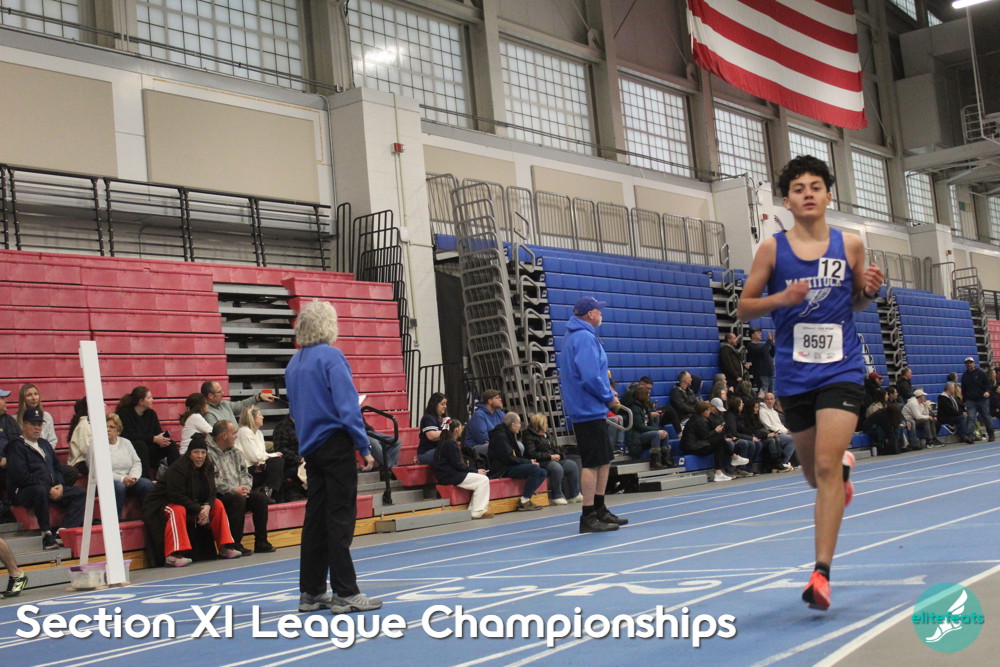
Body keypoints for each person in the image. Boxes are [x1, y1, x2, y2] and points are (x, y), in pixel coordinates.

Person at [737, 154, 885, 611]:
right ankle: (841, 471)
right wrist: (782, 297)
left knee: (823, 467)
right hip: (794, 372)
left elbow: (856, 303)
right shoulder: (772, 249)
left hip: (841, 368)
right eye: (798, 188)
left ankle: (821, 573)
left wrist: (868, 291)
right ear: (786, 200)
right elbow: (743, 308)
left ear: (828, 195)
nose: (807, 194)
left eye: (815, 187)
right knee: (812, 475)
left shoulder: (851, 245)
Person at [285, 300, 382, 614]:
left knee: (315, 520)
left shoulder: (293, 364)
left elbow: (295, 411)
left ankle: (311, 591)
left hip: (311, 448)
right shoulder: (331, 357)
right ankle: (345, 591)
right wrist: (363, 446)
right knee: (340, 518)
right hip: (336, 445)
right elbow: (347, 406)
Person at [556, 296, 627, 533]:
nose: (601, 314)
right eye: (599, 310)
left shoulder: (579, 336)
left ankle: (599, 508)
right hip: (587, 408)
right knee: (593, 463)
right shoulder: (583, 337)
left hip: (591, 407)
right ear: (590, 314)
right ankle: (588, 514)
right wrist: (608, 397)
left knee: (604, 460)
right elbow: (590, 376)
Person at [141, 433, 242, 567]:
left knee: (217, 504)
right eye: (196, 452)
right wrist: (199, 509)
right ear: (189, 453)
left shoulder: (208, 466)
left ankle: (225, 547)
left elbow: (212, 491)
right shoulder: (178, 468)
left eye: (203, 452)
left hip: (191, 502)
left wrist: (207, 506)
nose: (200, 456)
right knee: (177, 510)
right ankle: (174, 555)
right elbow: (176, 495)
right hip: (161, 503)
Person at [7, 407, 87, 549]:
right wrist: (48, 489)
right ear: (24, 425)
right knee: (40, 490)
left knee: (80, 493)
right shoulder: (16, 446)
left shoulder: (44, 444)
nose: (37, 428)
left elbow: (57, 467)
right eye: (33, 424)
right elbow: (22, 476)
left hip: (49, 488)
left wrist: (60, 485)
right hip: (24, 492)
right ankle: (46, 534)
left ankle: (63, 531)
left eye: (39, 424)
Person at [207, 420, 275, 556]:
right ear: (224, 436)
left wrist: (245, 487)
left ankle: (261, 542)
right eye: (233, 433)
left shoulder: (236, 452)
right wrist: (234, 490)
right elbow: (211, 481)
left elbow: (245, 474)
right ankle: (234, 543)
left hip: (239, 492)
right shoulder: (208, 454)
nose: (236, 436)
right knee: (238, 499)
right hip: (219, 496)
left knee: (260, 499)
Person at [432, 421, 494, 519]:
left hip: (445, 475)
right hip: (450, 476)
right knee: (484, 480)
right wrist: (476, 471)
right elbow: (458, 465)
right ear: (457, 430)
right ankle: (477, 512)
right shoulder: (451, 443)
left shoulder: (444, 442)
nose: (462, 429)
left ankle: (473, 510)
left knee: (480, 480)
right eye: (461, 427)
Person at [116, 386, 177, 479]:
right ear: (141, 401)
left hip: (149, 450)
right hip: (132, 451)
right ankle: (147, 480)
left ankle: (177, 477)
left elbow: (157, 432)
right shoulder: (124, 413)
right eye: (149, 397)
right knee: (140, 444)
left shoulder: (151, 414)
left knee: (171, 444)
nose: (152, 400)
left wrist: (162, 439)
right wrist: (153, 439)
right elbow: (128, 435)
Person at [522, 412, 583, 504]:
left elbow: (554, 448)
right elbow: (531, 453)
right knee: (556, 468)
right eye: (545, 423)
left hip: (551, 459)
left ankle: (575, 494)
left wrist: (559, 455)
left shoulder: (547, 434)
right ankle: (556, 496)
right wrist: (550, 456)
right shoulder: (528, 436)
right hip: (540, 462)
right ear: (539, 424)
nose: (547, 425)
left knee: (571, 465)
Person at [105, 413, 153, 516]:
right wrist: (122, 479)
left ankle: (149, 517)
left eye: (112, 427)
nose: (108, 429)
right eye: (106, 427)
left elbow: (136, 462)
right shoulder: (96, 445)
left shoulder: (126, 442)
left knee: (146, 484)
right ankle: (115, 520)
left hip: (129, 480)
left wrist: (133, 477)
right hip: (109, 482)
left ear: (118, 430)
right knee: (119, 487)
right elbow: (99, 471)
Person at [235, 405, 283, 501]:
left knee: (279, 462)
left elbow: (261, 455)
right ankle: (267, 493)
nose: (263, 417)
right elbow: (255, 457)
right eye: (260, 415)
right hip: (246, 469)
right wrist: (272, 455)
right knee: (277, 461)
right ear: (252, 418)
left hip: (257, 466)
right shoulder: (244, 431)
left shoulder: (258, 433)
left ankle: (271, 494)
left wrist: (262, 459)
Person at [680, 401, 735, 482]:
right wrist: (715, 431)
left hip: (698, 444)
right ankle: (733, 457)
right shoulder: (698, 421)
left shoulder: (701, 419)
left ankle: (719, 472)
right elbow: (704, 436)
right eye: (708, 410)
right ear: (703, 412)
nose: (710, 412)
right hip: (693, 447)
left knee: (719, 443)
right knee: (719, 440)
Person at [622, 385, 670, 469]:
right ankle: (655, 461)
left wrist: (659, 429)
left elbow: (651, 423)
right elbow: (639, 426)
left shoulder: (645, 408)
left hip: (646, 432)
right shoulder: (635, 408)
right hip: (637, 435)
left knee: (664, 434)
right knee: (656, 434)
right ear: (643, 396)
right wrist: (657, 430)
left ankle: (665, 458)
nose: (649, 396)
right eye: (647, 394)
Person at [201, 380, 275, 427]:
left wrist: (258, 397)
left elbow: (241, 405)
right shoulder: (208, 414)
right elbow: (216, 437)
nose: (223, 393)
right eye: (219, 392)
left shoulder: (225, 404)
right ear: (210, 396)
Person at [961, 357, 995, 442]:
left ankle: (991, 434)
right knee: (971, 418)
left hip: (982, 399)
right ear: (965, 365)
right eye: (967, 363)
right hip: (971, 400)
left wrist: (987, 391)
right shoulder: (964, 376)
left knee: (986, 417)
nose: (969, 364)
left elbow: (988, 384)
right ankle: (970, 436)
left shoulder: (980, 373)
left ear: (974, 363)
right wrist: (964, 400)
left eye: (970, 362)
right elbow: (963, 389)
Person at [466, 389, 506, 456]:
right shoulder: (479, 415)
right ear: (490, 401)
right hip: (476, 446)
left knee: (519, 446)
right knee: (500, 447)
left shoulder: (500, 414)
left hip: (495, 443)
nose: (500, 399)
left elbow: (507, 431)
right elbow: (482, 438)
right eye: (497, 398)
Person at [417, 393, 450, 465]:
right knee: (448, 453)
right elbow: (431, 436)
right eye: (442, 404)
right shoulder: (428, 418)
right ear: (435, 404)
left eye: (445, 404)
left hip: (439, 450)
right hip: (427, 452)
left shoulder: (445, 419)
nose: (445, 406)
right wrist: (448, 431)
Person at [67, 397, 91, 476]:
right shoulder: (84, 425)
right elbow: (87, 450)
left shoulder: (90, 423)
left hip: (87, 460)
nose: (105, 405)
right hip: (79, 463)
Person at [746, 329, 776, 394]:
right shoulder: (750, 345)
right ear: (752, 335)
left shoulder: (763, 346)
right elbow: (762, 352)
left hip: (769, 373)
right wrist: (769, 341)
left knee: (770, 395)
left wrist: (773, 344)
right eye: (758, 332)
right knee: (764, 394)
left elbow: (772, 354)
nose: (760, 334)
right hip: (761, 374)